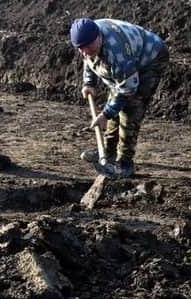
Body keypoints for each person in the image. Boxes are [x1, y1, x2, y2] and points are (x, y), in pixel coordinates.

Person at [72, 18, 169, 179]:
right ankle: (107, 153)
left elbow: (127, 90)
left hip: (151, 58)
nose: (85, 50)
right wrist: (89, 82)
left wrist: (106, 114)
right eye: (81, 48)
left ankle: (125, 162)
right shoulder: (87, 39)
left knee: (130, 107)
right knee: (114, 104)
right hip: (127, 64)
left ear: (98, 37)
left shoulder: (116, 52)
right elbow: (88, 60)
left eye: (88, 46)